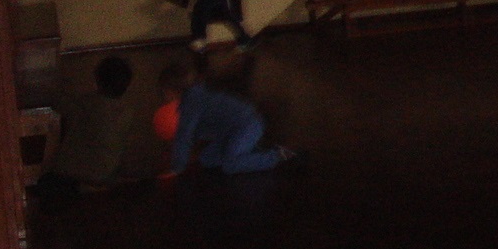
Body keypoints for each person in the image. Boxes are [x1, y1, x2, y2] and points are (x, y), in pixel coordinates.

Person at [157, 59, 299, 176]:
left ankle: (278, 156)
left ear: (171, 90)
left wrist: (176, 169)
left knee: (230, 165)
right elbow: (194, 132)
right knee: (207, 159)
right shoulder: (193, 98)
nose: (164, 96)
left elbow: (184, 136)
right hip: (233, 131)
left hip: (248, 125)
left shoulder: (192, 102)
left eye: (164, 91)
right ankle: (252, 149)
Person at [32, 55, 141, 197]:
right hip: (105, 177)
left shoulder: (88, 104)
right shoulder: (128, 112)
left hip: (71, 177)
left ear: (97, 81)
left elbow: (57, 102)